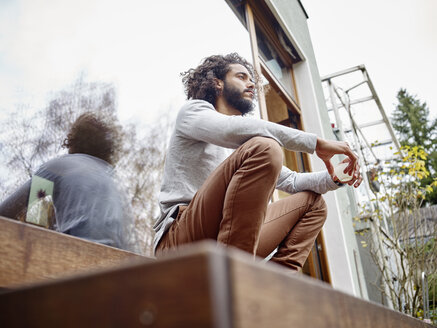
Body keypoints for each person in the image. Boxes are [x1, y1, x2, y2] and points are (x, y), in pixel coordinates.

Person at [154, 53, 363, 271]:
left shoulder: (244, 144)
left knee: (314, 205)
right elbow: (229, 129)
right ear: (217, 83)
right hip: (180, 239)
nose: (251, 84)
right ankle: (236, 275)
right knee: (266, 147)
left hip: (221, 239)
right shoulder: (194, 112)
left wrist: (335, 178)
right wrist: (315, 143)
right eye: (241, 77)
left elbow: (291, 181)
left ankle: (272, 285)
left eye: (252, 79)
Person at [0, 113, 134, 251]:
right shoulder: (115, 182)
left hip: (78, 256)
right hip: (119, 265)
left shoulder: (57, 167)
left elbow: (33, 223)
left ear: (73, 140)